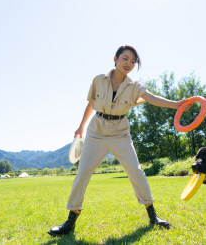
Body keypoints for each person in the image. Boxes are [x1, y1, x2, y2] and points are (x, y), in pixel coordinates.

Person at [48, 45, 190, 237]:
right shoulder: (99, 79)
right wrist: (81, 127)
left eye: (133, 61)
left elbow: (151, 98)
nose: (129, 63)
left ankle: (153, 216)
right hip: (96, 131)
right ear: (115, 58)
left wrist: (176, 104)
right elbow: (91, 103)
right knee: (82, 174)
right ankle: (70, 222)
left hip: (120, 133)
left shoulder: (135, 86)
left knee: (136, 171)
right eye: (125, 58)